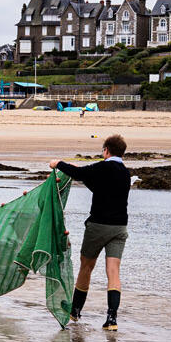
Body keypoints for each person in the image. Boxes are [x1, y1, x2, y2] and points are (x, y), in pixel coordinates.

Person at [48, 134, 130, 330]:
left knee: (86, 267)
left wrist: (57, 163)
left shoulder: (103, 167)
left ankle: (75, 311)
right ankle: (112, 320)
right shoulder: (125, 173)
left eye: (103, 151)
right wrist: (82, 174)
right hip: (120, 228)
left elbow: (80, 174)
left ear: (106, 150)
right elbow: (98, 186)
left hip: (98, 226)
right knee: (113, 272)